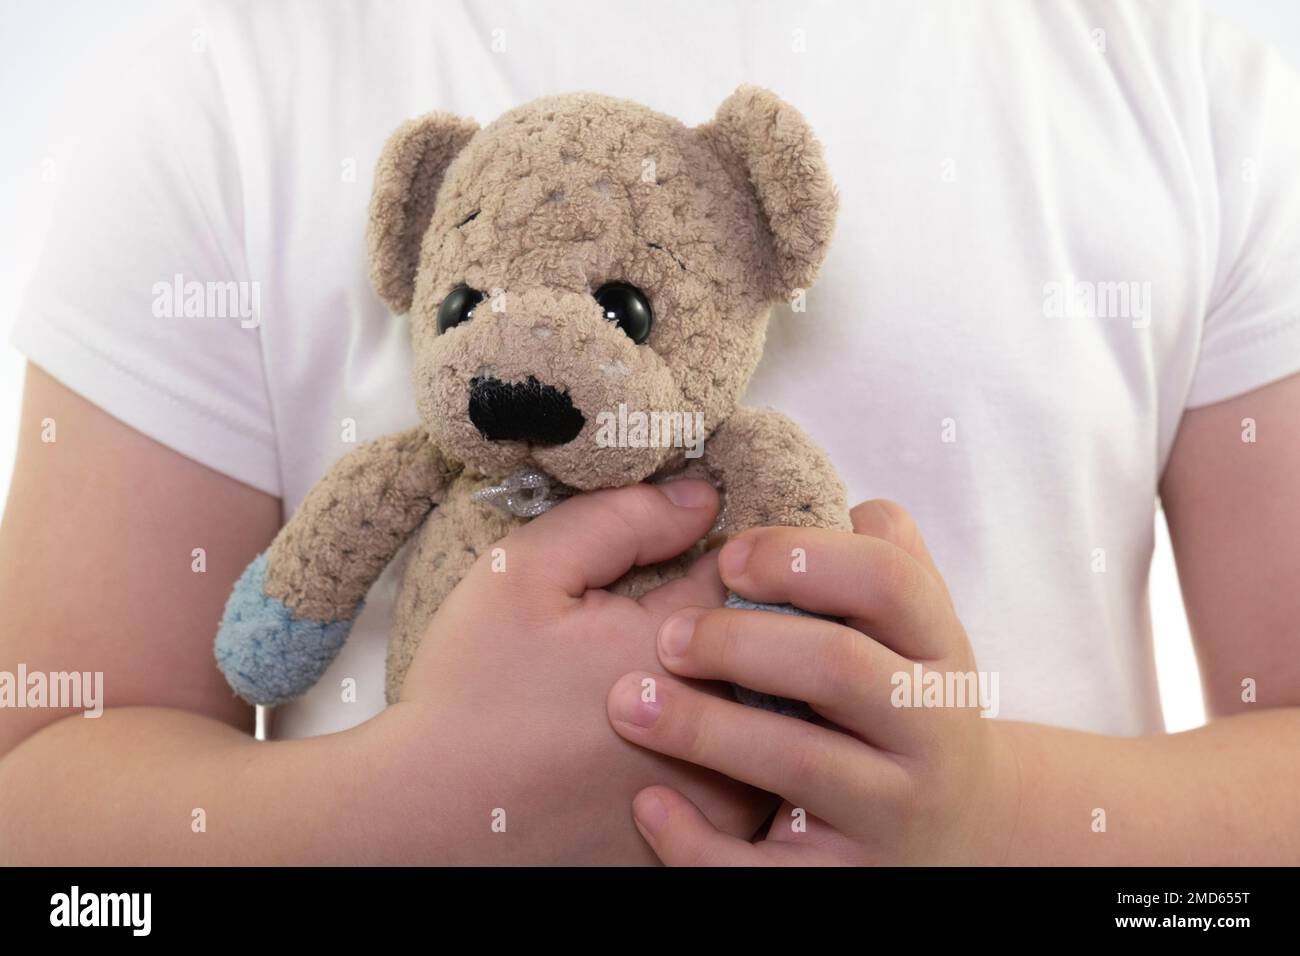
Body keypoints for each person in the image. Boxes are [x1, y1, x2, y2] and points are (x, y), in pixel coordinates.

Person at [1, 0, 1298, 865]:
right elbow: (38, 802)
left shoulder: (1182, 51)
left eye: (619, 308)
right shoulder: (234, 65)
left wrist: (990, 819)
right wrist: (405, 812)